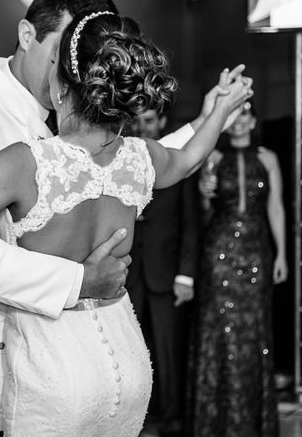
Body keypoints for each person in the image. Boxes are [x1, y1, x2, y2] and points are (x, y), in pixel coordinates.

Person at [0, 0, 247, 437]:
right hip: (20, 365)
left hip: (52, 376)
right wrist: (80, 281)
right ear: (27, 36)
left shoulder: (29, 160)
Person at [189, 101, 286, 437]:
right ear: (228, 122)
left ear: (254, 119)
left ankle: (249, 423)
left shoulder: (269, 158)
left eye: (246, 113)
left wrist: (282, 254)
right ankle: (215, 423)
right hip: (219, 256)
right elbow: (202, 210)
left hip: (257, 251)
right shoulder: (212, 157)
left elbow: (275, 208)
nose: (241, 120)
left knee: (254, 335)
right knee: (219, 336)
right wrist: (203, 192)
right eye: (236, 114)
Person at [127, 109, 199, 437]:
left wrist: (185, 274)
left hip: (166, 273)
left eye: (150, 120)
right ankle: (137, 420)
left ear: (163, 123)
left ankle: (172, 421)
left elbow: (191, 223)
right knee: (132, 351)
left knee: (169, 351)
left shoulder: (176, 161)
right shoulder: (124, 159)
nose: (143, 127)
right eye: (138, 120)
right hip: (127, 275)